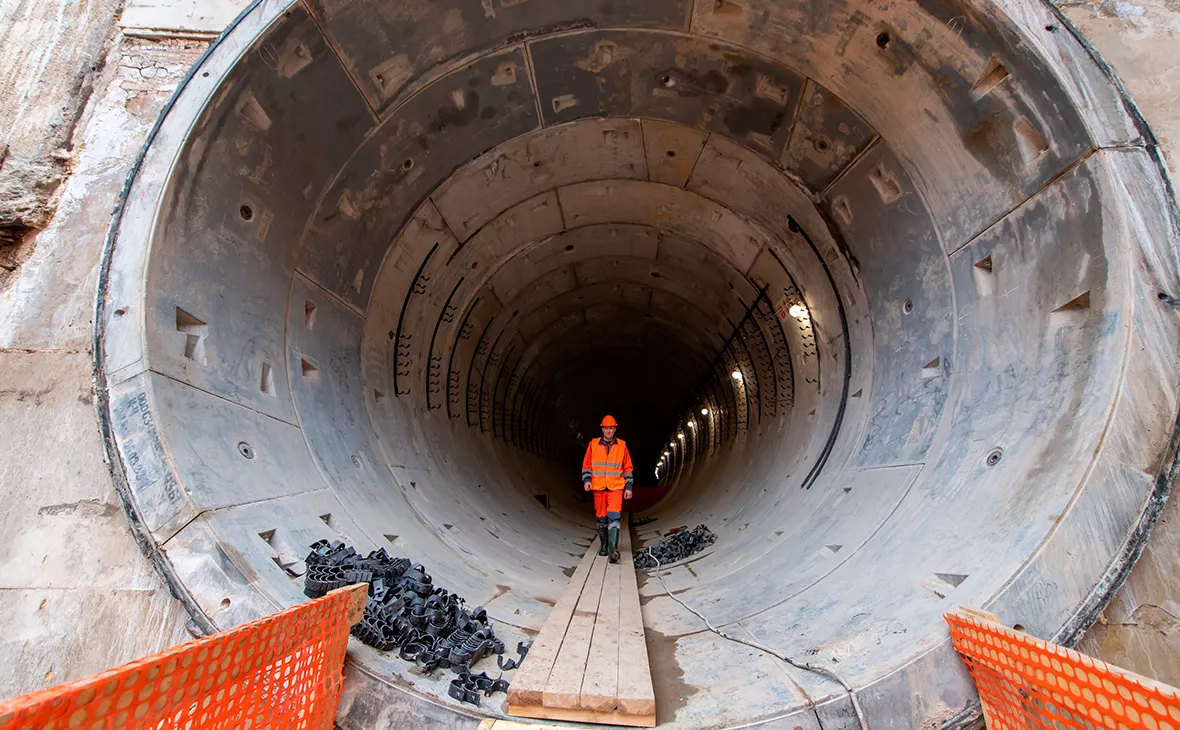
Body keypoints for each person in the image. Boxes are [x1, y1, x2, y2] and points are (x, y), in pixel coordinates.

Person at [581, 415, 633, 563]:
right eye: (606, 428)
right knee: (601, 518)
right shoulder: (593, 445)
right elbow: (587, 465)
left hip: (616, 487)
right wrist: (587, 480)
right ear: (602, 429)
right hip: (598, 488)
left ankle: (613, 550)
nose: (609, 431)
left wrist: (628, 487)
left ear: (615, 429)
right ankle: (604, 545)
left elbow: (628, 468)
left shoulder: (622, 446)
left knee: (614, 517)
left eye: (611, 428)